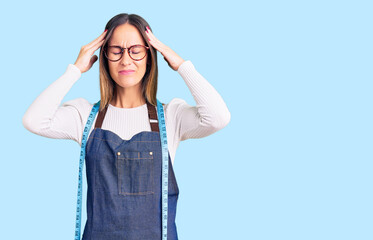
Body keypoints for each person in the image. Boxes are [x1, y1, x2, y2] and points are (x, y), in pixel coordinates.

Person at [22, 13, 230, 240]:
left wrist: (181, 65)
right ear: (104, 56)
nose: (126, 60)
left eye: (136, 50)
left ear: (150, 55)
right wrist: (75, 70)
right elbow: (34, 120)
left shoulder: (171, 116)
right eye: (116, 50)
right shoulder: (85, 116)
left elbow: (218, 117)